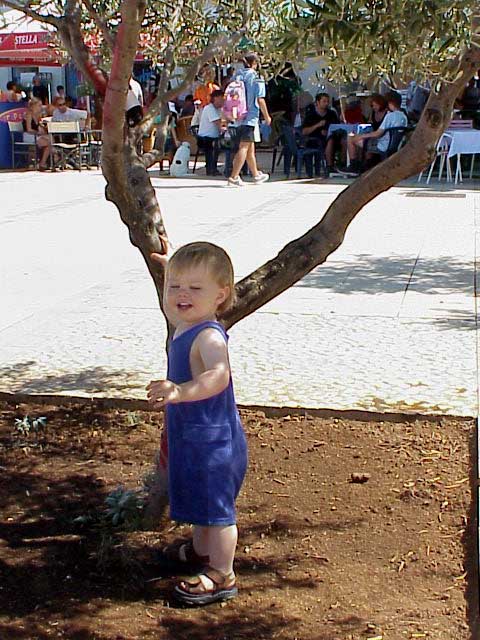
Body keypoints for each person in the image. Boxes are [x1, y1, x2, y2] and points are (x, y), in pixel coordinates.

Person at [147, 241, 248, 606]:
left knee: (217, 511)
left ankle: (222, 573)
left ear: (220, 295)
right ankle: (201, 552)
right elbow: (186, 283)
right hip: (194, 436)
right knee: (201, 503)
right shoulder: (186, 324)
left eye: (194, 288)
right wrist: (173, 264)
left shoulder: (208, 336)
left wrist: (180, 391)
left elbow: (219, 375)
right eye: (174, 286)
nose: (181, 294)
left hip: (214, 442)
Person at [227, 52, 271, 186]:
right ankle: (234, 177)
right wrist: (267, 116)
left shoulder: (237, 75)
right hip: (250, 117)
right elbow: (260, 99)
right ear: (255, 63)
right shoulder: (256, 77)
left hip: (237, 116)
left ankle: (256, 174)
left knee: (250, 148)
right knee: (244, 148)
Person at [341, 91, 407, 174]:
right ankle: (365, 164)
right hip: (394, 145)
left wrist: (362, 136)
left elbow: (378, 133)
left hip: (382, 146)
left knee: (351, 138)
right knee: (365, 139)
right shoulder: (403, 116)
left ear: (390, 102)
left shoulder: (390, 116)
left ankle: (353, 165)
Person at [301, 92, 339, 175]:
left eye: (327, 101)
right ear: (317, 102)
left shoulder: (331, 114)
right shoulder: (310, 115)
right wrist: (317, 125)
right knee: (330, 140)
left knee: (343, 140)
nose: (326, 103)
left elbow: (337, 126)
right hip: (314, 140)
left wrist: (328, 132)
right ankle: (329, 166)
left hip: (332, 137)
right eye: (324, 101)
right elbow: (304, 131)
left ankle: (344, 164)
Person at [197, 89, 225, 176]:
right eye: (222, 99)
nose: (223, 101)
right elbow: (218, 123)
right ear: (215, 98)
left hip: (214, 137)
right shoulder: (209, 108)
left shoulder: (219, 109)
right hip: (205, 138)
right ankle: (211, 168)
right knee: (216, 145)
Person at [22, 97, 52, 171]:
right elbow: (29, 129)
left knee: (51, 139)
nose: (41, 107)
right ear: (33, 106)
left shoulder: (38, 115)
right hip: (29, 135)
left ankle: (50, 160)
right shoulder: (29, 114)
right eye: (39, 105)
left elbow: (39, 127)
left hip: (36, 135)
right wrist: (38, 133)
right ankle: (43, 163)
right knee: (48, 143)